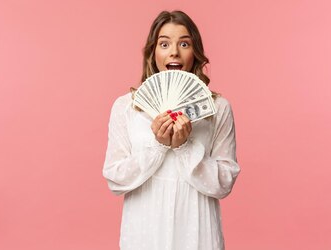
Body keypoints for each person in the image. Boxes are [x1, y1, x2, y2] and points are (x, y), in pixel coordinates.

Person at [103, 10, 241, 250]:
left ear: (194, 52)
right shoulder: (126, 107)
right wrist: (158, 145)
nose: (174, 51)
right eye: (164, 43)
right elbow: (116, 179)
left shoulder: (217, 108)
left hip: (197, 230)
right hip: (144, 230)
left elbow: (223, 184)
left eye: (184, 43)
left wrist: (185, 147)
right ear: (153, 52)